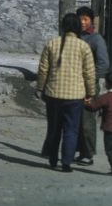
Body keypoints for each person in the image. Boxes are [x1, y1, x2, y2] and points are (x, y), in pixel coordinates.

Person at [36, 13, 96, 172]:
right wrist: (91, 93)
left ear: (63, 26)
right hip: (75, 97)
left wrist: (40, 88)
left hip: (53, 94)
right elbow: (89, 73)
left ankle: (52, 159)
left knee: (54, 128)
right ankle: (67, 163)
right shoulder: (83, 46)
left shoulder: (51, 43)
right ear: (77, 27)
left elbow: (43, 70)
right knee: (71, 129)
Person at [75, 6, 110, 166]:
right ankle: (79, 151)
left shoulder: (96, 39)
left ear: (91, 21)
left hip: (89, 86)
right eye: (80, 19)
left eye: (85, 19)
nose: (82, 22)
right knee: (75, 120)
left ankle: (88, 154)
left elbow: (103, 65)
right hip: (73, 85)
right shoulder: (75, 36)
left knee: (87, 121)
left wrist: (89, 77)